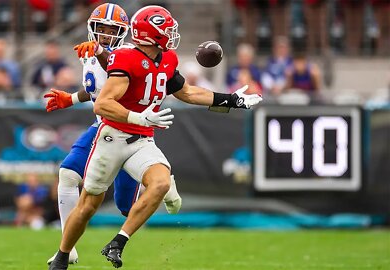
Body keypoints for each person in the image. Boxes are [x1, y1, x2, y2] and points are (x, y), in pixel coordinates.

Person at [48, 5, 262, 269]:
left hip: (141, 138)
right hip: (111, 133)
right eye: (167, 29)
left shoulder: (165, 58)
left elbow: (187, 92)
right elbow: (102, 98)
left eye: (111, 30)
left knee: (134, 202)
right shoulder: (123, 56)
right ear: (152, 34)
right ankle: (63, 254)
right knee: (86, 198)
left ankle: (119, 241)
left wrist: (232, 100)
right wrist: (77, 96)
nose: (172, 34)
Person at [44, 3, 182, 265]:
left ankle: (164, 183)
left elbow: (118, 70)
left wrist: (100, 52)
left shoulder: (129, 52)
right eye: (101, 29)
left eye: (112, 30)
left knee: (127, 208)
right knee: (68, 174)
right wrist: (71, 98)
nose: (106, 34)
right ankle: (67, 247)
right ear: (91, 28)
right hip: (105, 127)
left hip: (130, 129)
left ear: (124, 31)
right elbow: (97, 89)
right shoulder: (91, 52)